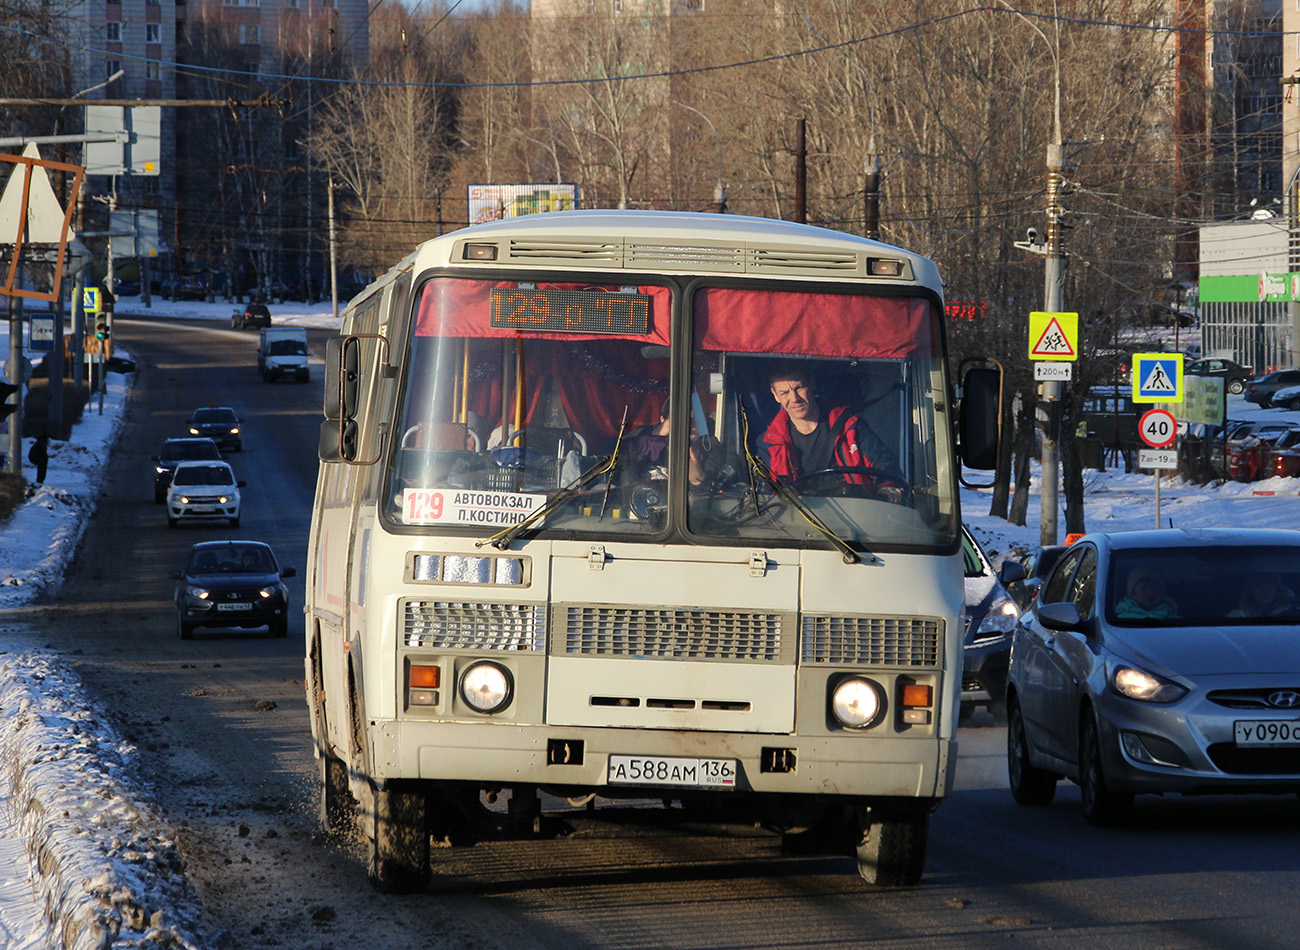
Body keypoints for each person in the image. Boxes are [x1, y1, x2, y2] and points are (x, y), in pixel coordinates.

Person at [761, 363, 897, 485]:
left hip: (853, 509)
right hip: (798, 512)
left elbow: (883, 462)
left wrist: (887, 487)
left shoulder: (849, 425)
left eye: (799, 388)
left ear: (812, 383)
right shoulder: (768, 443)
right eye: (784, 393)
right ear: (775, 395)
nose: (794, 398)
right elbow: (767, 493)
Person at [1114, 567, 1179, 620]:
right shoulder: (1120, 620)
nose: (1150, 592)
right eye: (1143, 588)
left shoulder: (1174, 620)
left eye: (1155, 588)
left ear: (1162, 593)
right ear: (1133, 594)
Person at [1227, 572, 1295, 619]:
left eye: (1270, 583)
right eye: (1258, 584)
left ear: (1277, 588)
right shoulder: (1236, 616)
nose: (1265, 589)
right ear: (1250, 589)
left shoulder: (1292, 613)